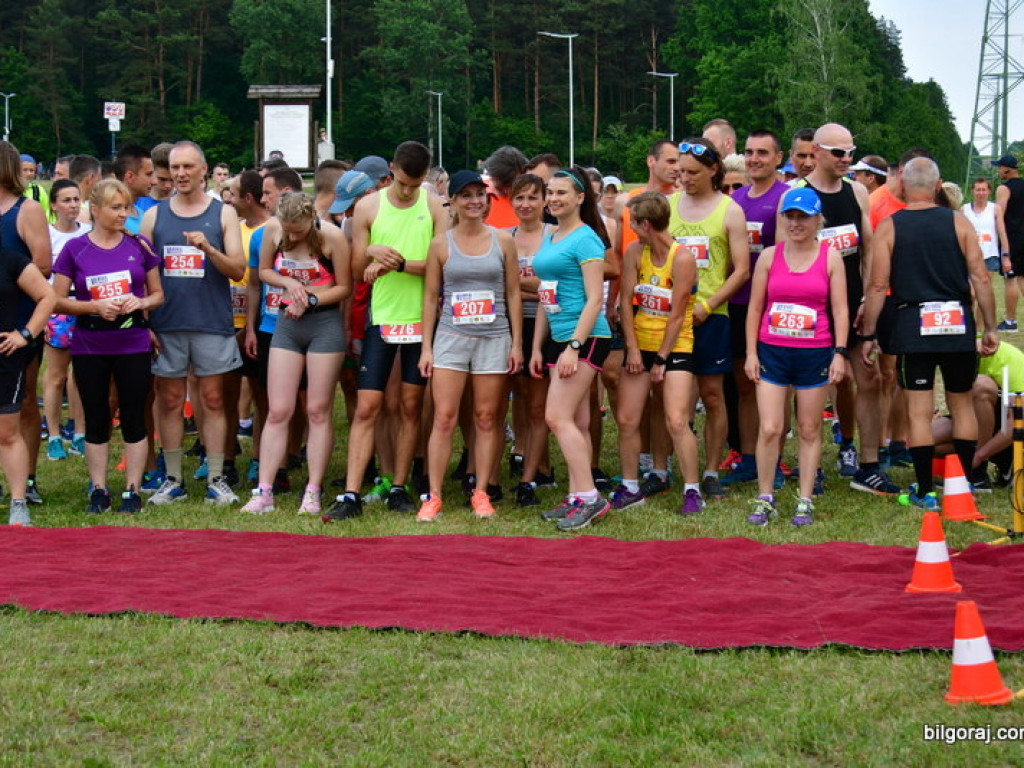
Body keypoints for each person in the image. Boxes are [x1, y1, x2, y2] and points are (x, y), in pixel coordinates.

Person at [861, 157, 999, 509]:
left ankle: (925, 491)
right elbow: (981, 278)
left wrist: (869, 333)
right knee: (961, 403)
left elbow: (877, 285)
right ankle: (964, 485)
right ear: (938, 187)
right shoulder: (959, 221)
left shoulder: (890, 226)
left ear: (903, 186)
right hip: (957, 326)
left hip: (913, 328)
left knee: (919, 412)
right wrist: (990, 327)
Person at [324, 141, 447, 521]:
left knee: (411, 406)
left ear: (424, 178)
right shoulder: (368, 206)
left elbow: (440, 266)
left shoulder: (433, 206)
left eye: (415, 184)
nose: (407, 191)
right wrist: (375, 251)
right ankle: (351, 493)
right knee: (367, 407)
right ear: (391, 170)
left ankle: (399, 485)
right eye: (401, 182)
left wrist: (399, 264)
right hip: (382, 319)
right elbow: (358, 268)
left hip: (420, 319)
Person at [140, 141, 246, 506]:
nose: (181, 174)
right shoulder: (154, 216)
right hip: (167, 323)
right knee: (169, 400)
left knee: (213, 398)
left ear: (204, 170)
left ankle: (217, 478)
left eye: (188, 167)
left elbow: (238, 269)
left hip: (211, 321)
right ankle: (173, 479)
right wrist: (145, 320)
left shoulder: (223, 214)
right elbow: (141, 272)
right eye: (175, 168)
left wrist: (209, 249)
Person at [796, 123, 897, 497]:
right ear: (817, 152)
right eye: (839, 153)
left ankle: (867, 465)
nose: (847, 160)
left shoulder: (857, 191)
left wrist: (866, 302)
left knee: (867, 380)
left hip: (853, 307)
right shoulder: (797, 194)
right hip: (814, 310)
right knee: (812, 388)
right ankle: (814, 465)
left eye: (851, 152)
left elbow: (868, 251)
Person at [52, 179, 164, 513]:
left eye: (126, 207)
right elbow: (56, 301)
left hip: (132, 342)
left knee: (133, 415)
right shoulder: (76, 249)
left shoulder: (138, 245)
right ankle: (98, 489)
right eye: (115, 207)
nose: (123, 214)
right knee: (97, 415)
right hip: (90, 343)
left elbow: (158, 295)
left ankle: (132, 489)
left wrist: (139, 301)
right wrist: (94, 307)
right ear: (95, 210)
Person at [416, 170, 522, 521]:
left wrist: (516, 343)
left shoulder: (503, 241)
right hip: (451, 338)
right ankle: (432, 495)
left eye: (480, 194)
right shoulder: (440, 244)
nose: (475, 201)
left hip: (494, 338)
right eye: (467, 195)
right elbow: (431, 296)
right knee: (444, 418)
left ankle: (481, 491)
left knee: (486, 418)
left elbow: (512, 294)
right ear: (454, 202)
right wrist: (427, 348)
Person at [744, 187, 848, 526]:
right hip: (772, 351)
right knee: (771, 427)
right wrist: (750, 353)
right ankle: (765, 496)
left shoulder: (829, 257)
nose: (795, 222)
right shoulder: (769, 256)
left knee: (808, 428)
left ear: (818, 220)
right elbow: (756, 307)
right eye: (790, 216)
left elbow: (840, 310)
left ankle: (804, 498)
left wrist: (840, 354)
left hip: (814, 352)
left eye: (803, 217)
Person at [241, 192, 351, 515]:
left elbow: (344, 286)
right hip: (286, 322)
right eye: (287, 230)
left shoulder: (331, 237)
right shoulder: (273, 231)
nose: (291, 237)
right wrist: (290, 286)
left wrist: (312, 299)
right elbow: (263, 273)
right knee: (278, 410)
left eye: (297, 232)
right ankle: (264, 490)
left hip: (323, 324)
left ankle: (313, 490)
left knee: (317, 410)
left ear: (311, 221)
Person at [530, 166, 614, 531]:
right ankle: (578, 495)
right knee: (576, 420)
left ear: (581, 198)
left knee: (556, 417)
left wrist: (574, 347)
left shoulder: (587, 239)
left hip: (586, 336)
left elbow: (595, 299)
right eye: (550, 192)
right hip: (559, 336)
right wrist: (540, 346)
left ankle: (591, 498)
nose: (553, 198)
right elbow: (549, 295)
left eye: (561, 192)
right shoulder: (552, 236)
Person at [668, 138, 750, 500]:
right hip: (671, 317)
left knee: (714, 397)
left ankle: (712, 469)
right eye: (680, 171)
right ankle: (675, 466)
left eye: (692, 173)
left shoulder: (729, 210)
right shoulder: (668, 206)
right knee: (676, 401)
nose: (684, 178)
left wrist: (709, 304)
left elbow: (741, 270)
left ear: (713, 170)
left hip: (711, 317)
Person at [614, 192, 701, 515]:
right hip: (641, 344)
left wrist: (662, 359)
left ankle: (692, 490)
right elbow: (625, 302)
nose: (631, 229)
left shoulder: (683, 257)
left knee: (677, 419)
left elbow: (678, 314)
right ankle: (630, 485)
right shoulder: (636, 252)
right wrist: (634, 350)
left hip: (675, 346)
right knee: (626, 418)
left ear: (646, 224)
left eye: (633, 223)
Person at [720, 130, 791, 486]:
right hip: (734, 305)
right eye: (749, 152)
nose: (754, 159)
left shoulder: (787, 198)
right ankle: (749, 458)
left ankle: (772, 461)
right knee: (744, 384)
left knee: (771, 387)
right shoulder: (735, 201)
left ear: (779, 158)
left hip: (769, 308)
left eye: (763, 152)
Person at [1, 141, 53, 507]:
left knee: (24, 402)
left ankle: (27, 478)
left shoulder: (27, 209)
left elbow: (44, 264)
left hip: (20, 315)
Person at [508, 173, 558, 507]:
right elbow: (503, 286)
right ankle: (527, 458)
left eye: (532, 198)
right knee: (520, 398)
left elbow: (551, 286)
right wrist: (530, 287)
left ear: (544, 202)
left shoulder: (554, 236)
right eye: (519, 198)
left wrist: (518, 286)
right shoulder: (503, 237)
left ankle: (537, 471)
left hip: (548, 326)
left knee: (540, 404)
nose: (526, 205)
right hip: (511, 326)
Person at [44, 179, 89, 462]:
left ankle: (80, 433)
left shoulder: (88, 233)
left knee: (81, 374)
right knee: (56, 375)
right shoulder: (46, 236)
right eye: (66, 200)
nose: (73, 205)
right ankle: (54, 435)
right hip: (57, 308)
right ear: (54, 205)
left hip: (84, 306)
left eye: (76, 199)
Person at [993, 155, 1024, 332]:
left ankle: (1010, 321)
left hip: (1011, 238)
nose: (998, 170)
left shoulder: (1003, 188)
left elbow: (999, 213)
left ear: (1007, 169)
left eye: (1000, 167)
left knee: (1010, 279)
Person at [963, 178, 1009, 274]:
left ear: (989, 191)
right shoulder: (964, 209)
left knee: (985, 285)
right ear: (972, 191)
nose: (981, 193)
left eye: (983, 190)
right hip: (969, 254)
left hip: (989, 254)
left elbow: (1002, 233)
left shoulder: (995, 209)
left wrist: (1006, 257)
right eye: (978, 190)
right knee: (971, 286)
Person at [484, 145, 528, 228]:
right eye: (505, 184)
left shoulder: (530, 201)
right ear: (493, 177)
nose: (508, 190)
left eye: (516, 183)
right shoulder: (477, 197)